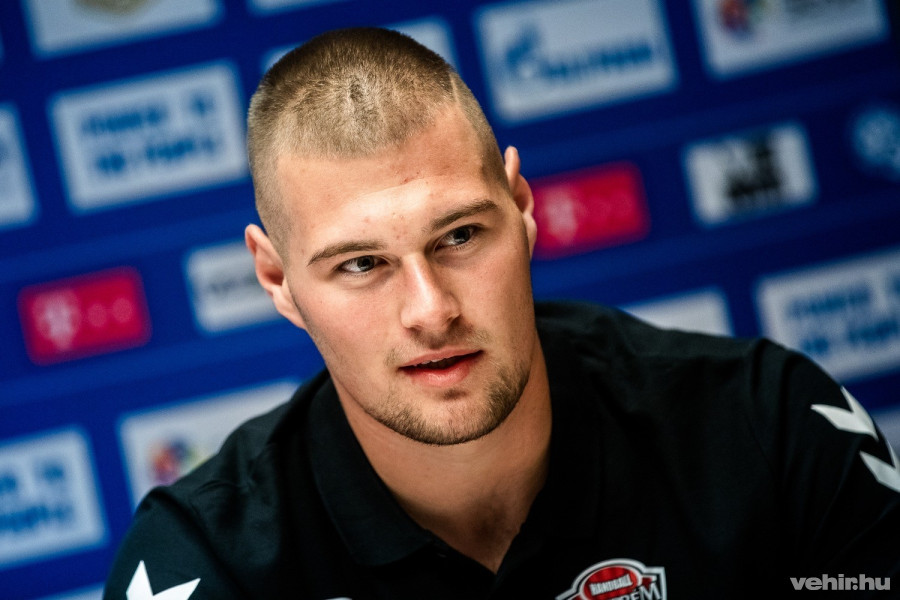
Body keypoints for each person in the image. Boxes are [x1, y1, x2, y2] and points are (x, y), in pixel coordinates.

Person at [103, 27, 900, 599]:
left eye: (458, 236)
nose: (430, 310)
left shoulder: (773, 430)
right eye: (361, 265)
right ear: (278, 279)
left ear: (520, 207)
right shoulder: (199, 566)